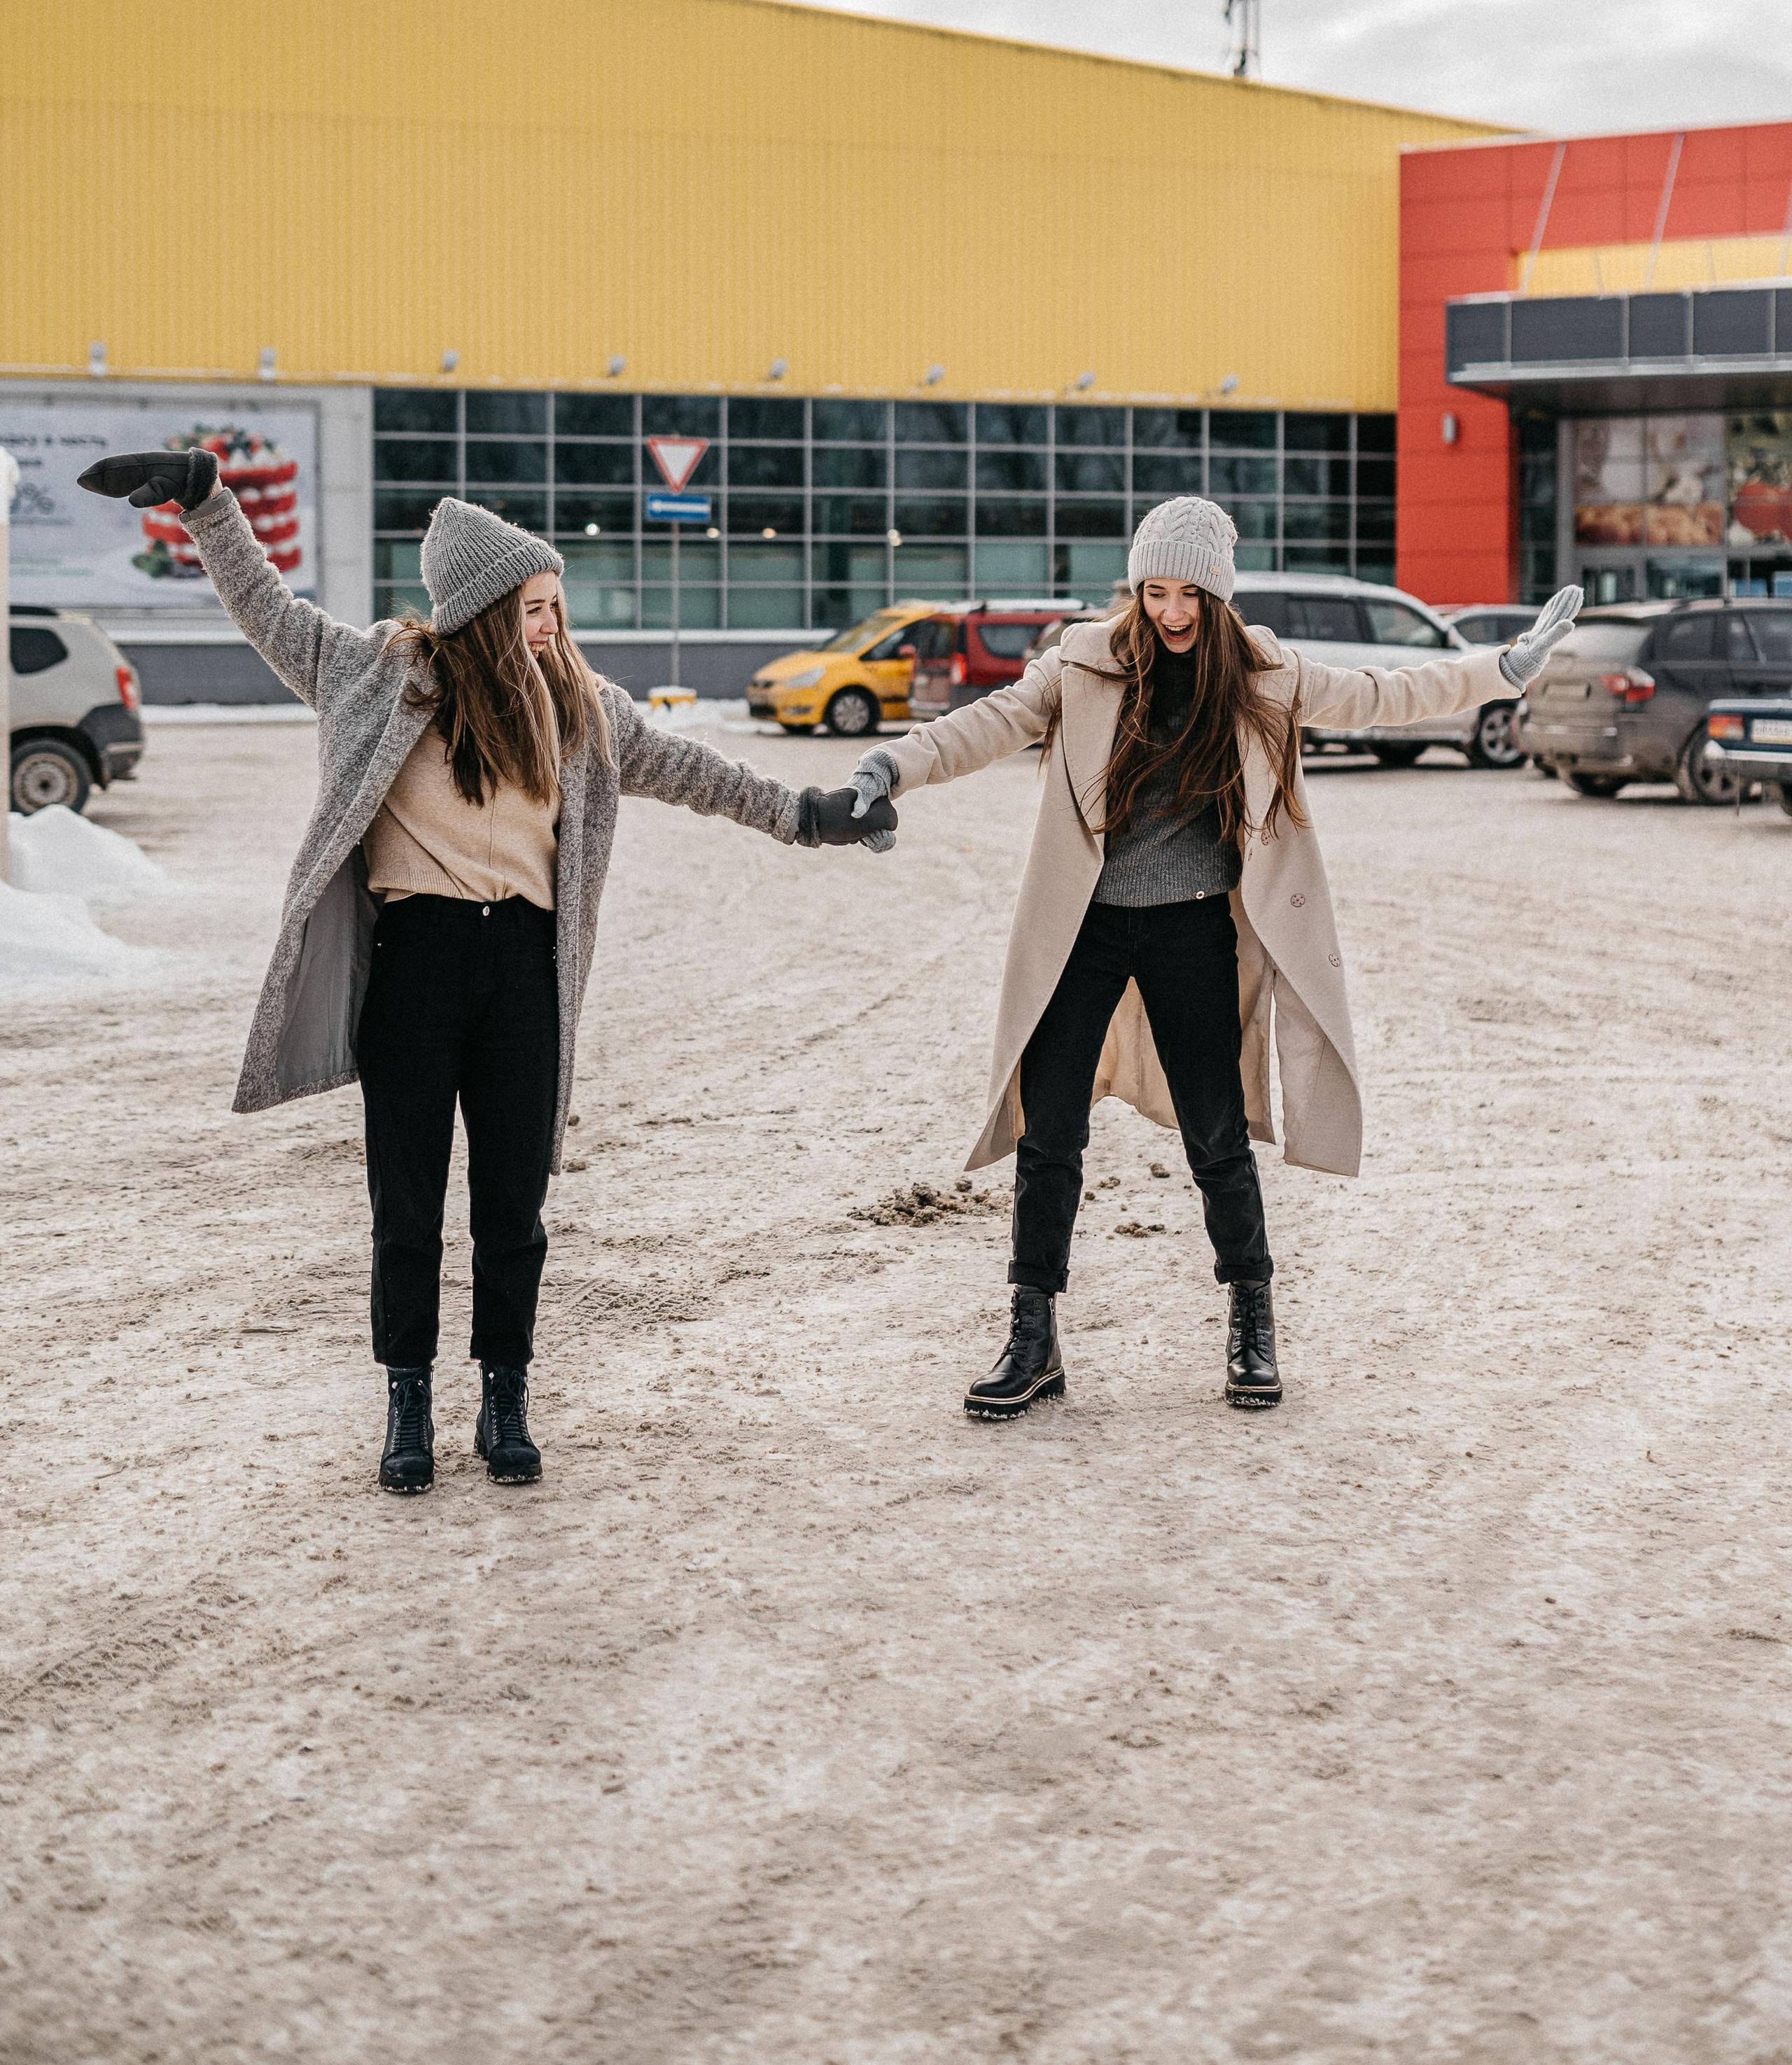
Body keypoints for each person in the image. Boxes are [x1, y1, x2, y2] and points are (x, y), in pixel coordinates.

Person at [78, 444, 895, 1494]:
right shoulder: (378, 674)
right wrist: (206, 498)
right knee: (406, 1204)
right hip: (414, 965)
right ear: (480, 607)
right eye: (535, 605)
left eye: (556, 603)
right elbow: (268, 608)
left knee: (513, 1206)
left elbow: (696, 771)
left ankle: (504, 1396)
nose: (553, 624)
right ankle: (407, 1403)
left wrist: (809, 816)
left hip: (524, 971)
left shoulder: (580, 706)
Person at [846, 496, 1580, 1420]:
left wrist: (1501, 670)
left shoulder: (1266, 674)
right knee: (1049, 1137)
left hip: (1196, 932)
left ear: (1219, 596)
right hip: (1084, 931)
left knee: (1217, 1140)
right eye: (1155, 591)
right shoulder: (1081, 663)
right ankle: (1033, 1335)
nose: (1172, 612)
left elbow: (1387, 696)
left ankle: (1252, 1320)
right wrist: (890, 767)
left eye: (1190, 594)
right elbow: (985, 723)